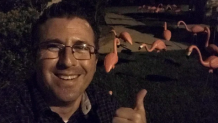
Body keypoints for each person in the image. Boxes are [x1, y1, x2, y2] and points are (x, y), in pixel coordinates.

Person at [0, 0, 147, 123]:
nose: (68, 61)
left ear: (95, 60)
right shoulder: (8, 109)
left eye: (81, 47)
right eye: (53, 46)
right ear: (35, 56)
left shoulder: (107, 109)